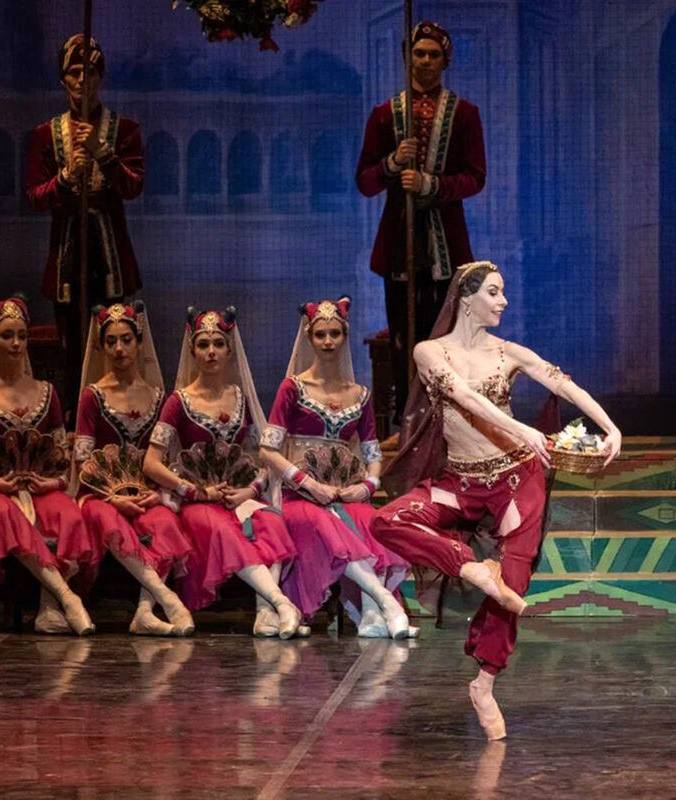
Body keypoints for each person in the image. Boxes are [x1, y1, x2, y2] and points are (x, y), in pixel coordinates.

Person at [370, 261, 622, 740]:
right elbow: (465, 397)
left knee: (513, 583)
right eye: (493, 291)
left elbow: (563, 384)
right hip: (460, 482)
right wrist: (522, 428)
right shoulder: (430, 352)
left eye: (503, 292)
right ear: (465, 298)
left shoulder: (508, 352)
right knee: (386, 522)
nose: (503, 301)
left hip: (516, 479)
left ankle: (484, 682)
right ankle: (469, 566)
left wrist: (611, 427)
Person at [259, 297, 415, 638]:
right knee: (324, 523)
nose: (328, 341)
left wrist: (368, 486)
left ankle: (370, 616)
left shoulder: (360, 394)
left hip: (343, 494)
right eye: (320, 335)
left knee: (372, 522)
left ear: (344, 336)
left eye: (335, 334)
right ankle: (385, 602)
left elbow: (373, 453)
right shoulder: (293, 388)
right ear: (309, 339)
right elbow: (268, 450)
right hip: (299, 497)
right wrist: (307, 483)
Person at [144, 307, 304, 638]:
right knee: (221, 529)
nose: (211, 352)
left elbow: (266, 457)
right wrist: (194, 491)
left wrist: (251, 490)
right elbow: (151, 463)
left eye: (218, 343)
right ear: (192, 351)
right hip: (196, 503)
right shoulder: (179, 401)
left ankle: (264, 615)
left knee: (273, 522)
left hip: (236, 497)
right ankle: (282, 604)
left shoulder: (242, 399)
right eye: (203, 345)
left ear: (230, 350)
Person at [356, 21, 486, 424]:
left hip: (448, 245)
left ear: (445, 60)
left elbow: (476, 177)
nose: (425, 61)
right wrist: (393, 163)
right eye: (419, 53)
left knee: (447, 336)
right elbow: (365, 181)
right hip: (400, 243)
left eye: (434, 54)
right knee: (404, 336)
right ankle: (408, 422)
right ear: (407, 57)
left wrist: (431, 184)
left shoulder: (465, 114)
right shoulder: (385, 115)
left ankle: (449, 421)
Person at [0, 293, 96, 634]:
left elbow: (59, 450)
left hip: (38, 487)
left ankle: (48, 607)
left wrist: (53, 482)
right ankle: (67, 597)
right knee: (1, 512)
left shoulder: (46, 391)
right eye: (7, 335)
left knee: (67, 513)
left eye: (22, 336)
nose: (15, 344)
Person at [25, 34, 145, 415]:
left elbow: (133, 186)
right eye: (74, 72)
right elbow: (35, 196)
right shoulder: (46, 134)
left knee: (116, 339)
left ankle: (117, 415)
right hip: (67, 252)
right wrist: (64, 178)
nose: (82, 80)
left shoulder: (124, 130)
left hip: (109, 254)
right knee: (72, 343)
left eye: (90, 72)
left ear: (100, 77)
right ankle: (76, 419)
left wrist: (101, 153)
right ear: (63, 80)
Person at [73, 302, 195, 636]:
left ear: (139, 343)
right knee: (106, 519)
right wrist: (112, 497)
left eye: (126, 340)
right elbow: (83, 459)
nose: (119, 348)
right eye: (111, 341)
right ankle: (168, 599)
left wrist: (157, 493)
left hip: (144, 493)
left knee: (165, 521)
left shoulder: (157, 396)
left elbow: (164, 456)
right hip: (100, 496)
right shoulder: (93, 396)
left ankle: (144, 610)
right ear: (101, 347)